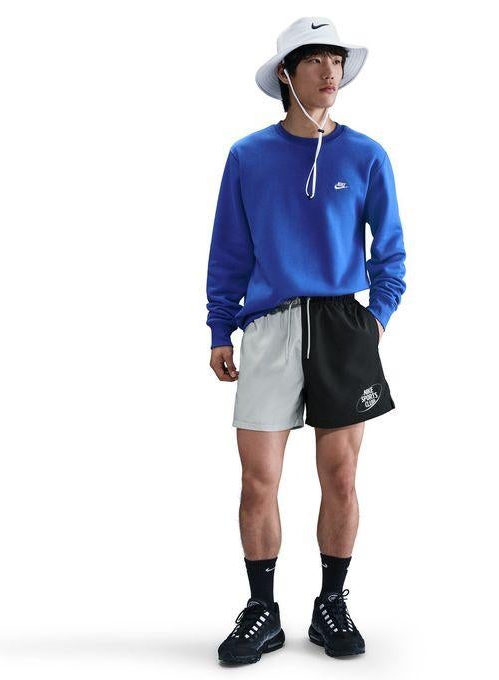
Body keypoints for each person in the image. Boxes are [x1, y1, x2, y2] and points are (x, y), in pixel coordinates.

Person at [206, 17, 406, 664]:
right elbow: (229, 251)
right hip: (270, 326)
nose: (330, 71)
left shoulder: (366, 155)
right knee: (257, 480)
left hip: (343, 326)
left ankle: (331, 603)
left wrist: (375, 321)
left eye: (337, 60)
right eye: (315, 59)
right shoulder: (248, 156)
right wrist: (220, 327)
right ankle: (262, 610)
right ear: (286, 74)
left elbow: (391, 254)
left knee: (341, 476)